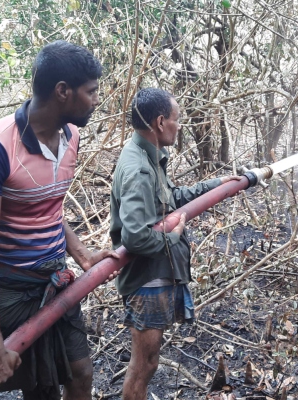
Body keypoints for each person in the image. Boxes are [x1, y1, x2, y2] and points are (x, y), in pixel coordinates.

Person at [0, 40, 119, 400]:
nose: (97, 100)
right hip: (7, 292)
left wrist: (83, 255)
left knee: (79, 374)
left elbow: (48, 208)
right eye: (91, 92)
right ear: (62, 92)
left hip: (54, 281)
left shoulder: (71, 137)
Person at [109, 88, 242, 399]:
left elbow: (171, 200)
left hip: (157, 275)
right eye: (175, 119)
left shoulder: (148, 157)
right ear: (159, 122)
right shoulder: (139, 169)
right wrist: (174, 237)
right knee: (144, 365)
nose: (178, 126)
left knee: (148, 364)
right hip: (148, 281)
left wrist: (216, 185)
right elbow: (136, 236)